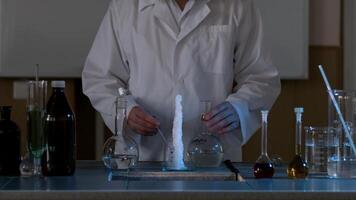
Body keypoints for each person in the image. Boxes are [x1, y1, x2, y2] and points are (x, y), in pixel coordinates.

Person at [82, 0, 281, 161]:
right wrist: (126, 111)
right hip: (141, 157)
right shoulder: (125, 6)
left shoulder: (237, 5)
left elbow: (261, 77)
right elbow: (100, 77)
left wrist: (238, 109)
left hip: (212, 156)